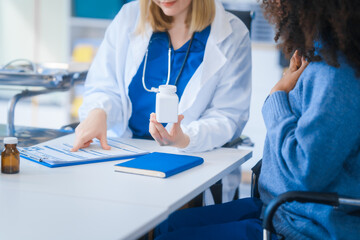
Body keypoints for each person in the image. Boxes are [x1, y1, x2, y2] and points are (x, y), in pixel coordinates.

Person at [153, 0, 360, 239]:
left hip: (302, 225)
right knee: (165, 224)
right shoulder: (320, 55)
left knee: (167, 237)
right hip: (277, 208)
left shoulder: (337, 74)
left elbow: (304, 171)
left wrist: (278, 96)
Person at [71, 0, 251, 203]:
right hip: (124, 157)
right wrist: (99, 112)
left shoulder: (233, 34)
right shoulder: (129, 17)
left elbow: (227, 116)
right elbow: (103, 86)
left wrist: (184, 138)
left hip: (188, 163)